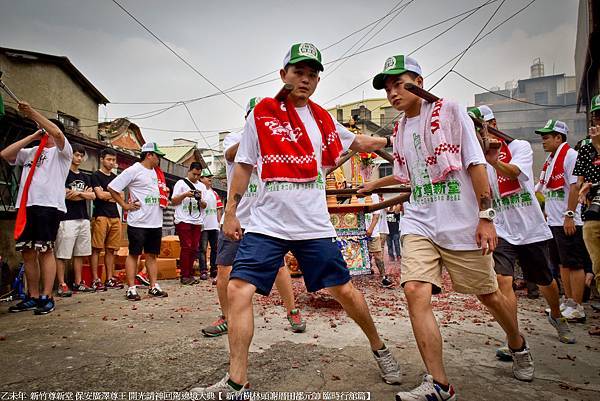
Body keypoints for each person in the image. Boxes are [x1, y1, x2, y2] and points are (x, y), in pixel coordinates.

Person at [193, 43, 400, 396]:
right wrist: (230, 211)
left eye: (312, 74)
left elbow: (358, 141)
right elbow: (242, 165)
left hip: (312, 225)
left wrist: (393, 136)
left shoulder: (322, 119)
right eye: (298, 72)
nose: (305, 79)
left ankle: (379, 346)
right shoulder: (261, 116)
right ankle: (236, 381)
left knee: (344, 291)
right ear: (283, 75)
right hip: (266, 224)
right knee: (238, 289)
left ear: (317, 80)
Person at [364, 55, 535, 400]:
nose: (393, 91)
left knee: (488, 295)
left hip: (462, 223)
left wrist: (486, 217)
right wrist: (374, 187)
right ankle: (439, 384)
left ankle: (517, 342)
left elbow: (474, 163)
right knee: (414, 291)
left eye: (400, 82)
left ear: (419, 83)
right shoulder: (400, 129)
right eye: (387, 86)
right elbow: (413, 180)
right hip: (420, 221)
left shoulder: (450, 111)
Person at [469, 106, 575, 362]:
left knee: (545, 281)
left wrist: (495, 161)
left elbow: (515, 172)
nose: (473, 132)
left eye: (477, 125)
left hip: (529, 228)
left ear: (491, 124)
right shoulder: (474, 158)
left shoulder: (519, 147)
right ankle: (513, 338)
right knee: (503, 281)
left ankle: (556, 315)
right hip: (501, 228)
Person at [202, 97, 306, 338]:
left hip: (265, 221)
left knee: (279, 268)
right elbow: (230, 155)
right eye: (255, 116)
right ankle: (226, 317)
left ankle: (293, 311)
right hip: (235, 218)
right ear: (248, 118)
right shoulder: (235, 138)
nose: (260, 120)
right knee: (224, 270)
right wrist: (254, 135)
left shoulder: (278, 142)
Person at [1, 101, 72, 315]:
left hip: (48, 206)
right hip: (26, 206)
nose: (45, 133)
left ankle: (46, 295)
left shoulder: (62, 153)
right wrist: (33, 136)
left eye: (45, 129)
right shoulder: (31, 152)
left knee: (45, 250)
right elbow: (6, 155)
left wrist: (33, 113)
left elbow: (58, 133)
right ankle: (32, 296)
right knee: (28, 252)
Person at [535, 119, 591, 322]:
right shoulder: (550, 161)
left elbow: (576, 187)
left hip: (568, 220)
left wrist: (569, 215)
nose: (543, 140)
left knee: (574, 264)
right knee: (562, 264)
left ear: (559, 137)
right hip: (554, 222)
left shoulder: (571, 156)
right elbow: (542, 188)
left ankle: (577, 306)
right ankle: (568, 302)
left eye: (547, 137)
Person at [108, 142, 169, 301]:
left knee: (152, 255)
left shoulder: (158, 173)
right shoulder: (134, 170)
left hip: (155, 221)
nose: (159, 159)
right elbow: (113, 187)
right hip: (138, 222)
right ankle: (131, 288)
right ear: (149, 155)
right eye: (158, 156)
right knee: (134, 254)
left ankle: (153, 286)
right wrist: (124, 205)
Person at [55, 144, 96, 295]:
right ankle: (62, 283)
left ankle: (78, 282)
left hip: (83, 218)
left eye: (81, 155)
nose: (78, 158)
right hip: (67, 218)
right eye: (76, 155)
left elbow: (92, 196)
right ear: (70, 155)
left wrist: (77, 194)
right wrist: (81, 194)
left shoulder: (85, 176)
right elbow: (64, 193)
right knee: (62, 253)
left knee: (80, 253)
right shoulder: (63, 173)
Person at [574, 95, 600, 326]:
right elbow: (579, 180)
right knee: (598, 266)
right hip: (593, 213)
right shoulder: (584, 146)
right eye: (596, 116)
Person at [90, 148, 124, 290]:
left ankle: (109, 278)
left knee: (111, 249)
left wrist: (109, 196)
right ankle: (95, 279)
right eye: (109, 159)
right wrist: (113, 196)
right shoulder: (96, 176)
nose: (111, 163)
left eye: (113, 160)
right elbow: (100, 195)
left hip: (115, 216)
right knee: (97, 248)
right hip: (100, 215)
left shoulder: (115, 178)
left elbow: (121, 196)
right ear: (102, 159)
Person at [171, 162, 207, 285]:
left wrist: (200, 199)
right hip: (183, 219)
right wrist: (185, 194)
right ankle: (184, 275)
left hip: (196, 221)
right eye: (194, 174)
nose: (196, 177)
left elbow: (204, 205)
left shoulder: (202, 187)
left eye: (198, 175)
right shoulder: (180, 184)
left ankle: (190, 274)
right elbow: (173, 201)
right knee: (186, 247)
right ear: (189, 171)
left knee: (194, 248)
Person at [360, 192, 392, 288]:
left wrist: (370, 229)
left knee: (378, 254)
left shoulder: (374, 196)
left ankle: (383, 276)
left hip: (373, 232)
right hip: (359, 231)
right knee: (362, 255)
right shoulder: (354, 196)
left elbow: (376, 215)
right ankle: (364, 273)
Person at [198, 169, 222, 281]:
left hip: (214, 226)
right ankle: (203, 270)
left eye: (210, 177)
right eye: (207, 177)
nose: (209, 179)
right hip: (203, 225)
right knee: (202, 249)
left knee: (215, 248)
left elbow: (219, 209)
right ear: (201, 179)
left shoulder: (214, 193)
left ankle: (214, 269)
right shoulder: (199, 192)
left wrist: (219, 223)